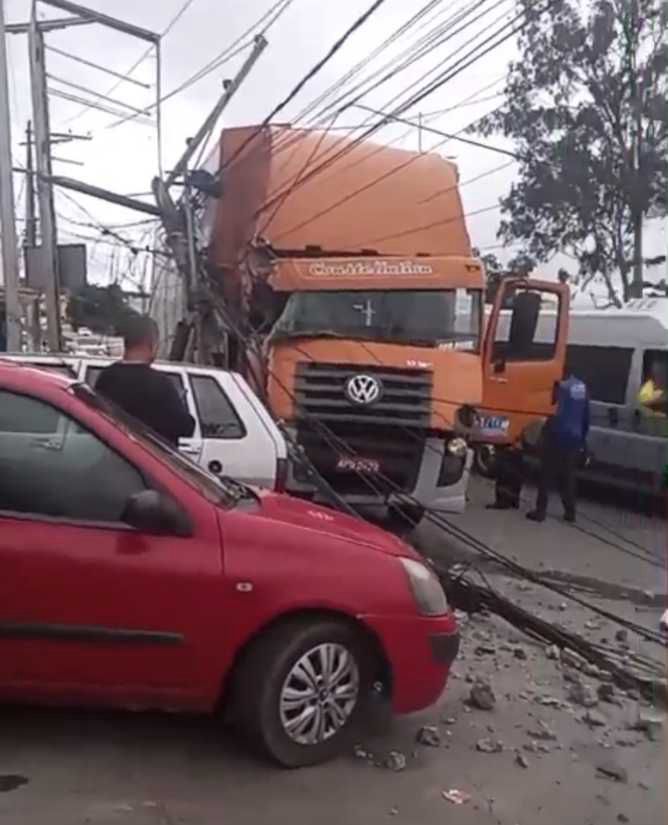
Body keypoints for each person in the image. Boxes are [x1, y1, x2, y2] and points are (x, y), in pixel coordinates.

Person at [96, 315, 195, 446]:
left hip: (115, 457)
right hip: (150, 461)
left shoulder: (106, 378)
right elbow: (185, 428)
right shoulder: (160, 384)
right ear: (151, 343)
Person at [527, 371, 590, 524]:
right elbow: (586, 416)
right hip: (574, 438)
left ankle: (540, 512)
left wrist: (543, 433)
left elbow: (552, 410)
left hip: (556, 435)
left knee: (546, 475)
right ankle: (570, 513)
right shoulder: (581, 387)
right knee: (568, 477)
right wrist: (582, 438)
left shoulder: (559, 386)